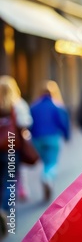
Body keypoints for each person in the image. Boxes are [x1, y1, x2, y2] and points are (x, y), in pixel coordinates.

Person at [0, 76, 33, 236]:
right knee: (10, 181)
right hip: (12, 147)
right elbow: (26, 123)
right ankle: (5, 210)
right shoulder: (18, 104)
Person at [30, 80, 70, 201]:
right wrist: (67, 136)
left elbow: (29, 123)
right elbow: (63, 123)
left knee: (45, 162)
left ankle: (46, 181)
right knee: (51, 162)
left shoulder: (33, 106)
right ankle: (47, 178)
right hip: (52, 137)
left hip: (37, 139)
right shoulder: (57, 106)